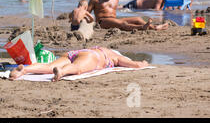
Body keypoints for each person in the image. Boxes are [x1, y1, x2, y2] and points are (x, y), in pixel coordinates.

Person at [9, 46, 149, 81]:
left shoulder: (100, 48)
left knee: (48, 67)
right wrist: (143, 63)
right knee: (77, 68)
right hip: (92, 57)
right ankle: (62, 72)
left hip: (76, 52)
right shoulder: (113, 55)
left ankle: (24, 70)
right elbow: (135, 65)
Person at [87, 0, 169, 31]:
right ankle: (142, 27)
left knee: (137, 19)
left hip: (114, 20)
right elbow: (87, 13)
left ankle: (155, 27)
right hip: (102, 22)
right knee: (123, 23)